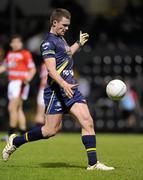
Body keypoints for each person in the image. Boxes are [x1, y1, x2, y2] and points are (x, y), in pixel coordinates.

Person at [2, 9, 114, 171]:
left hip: (71, 89)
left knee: (87, 121)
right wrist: (64, 84)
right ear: (54, 23)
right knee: (49, 131)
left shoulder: (61, 39)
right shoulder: (48, 43)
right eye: (64, 25)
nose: (67, 28)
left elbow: (67, 54)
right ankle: (15, 142)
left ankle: (93, 163)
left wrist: (78, 44)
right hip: (57, 91)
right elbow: (51, 70)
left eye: (68, 25)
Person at [0, 35, 36, 139]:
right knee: (18, 109)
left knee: (12, 108)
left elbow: (32, 69)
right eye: (14, 42)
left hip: (20, 83)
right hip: (12, 83)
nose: (16, 44)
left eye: (18, 42)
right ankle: (23, 134)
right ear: (11, 44)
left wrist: (28, 78)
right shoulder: (10, 54)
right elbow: (4, 67)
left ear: (21, 44)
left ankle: (10, 135)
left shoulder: (25, 54)